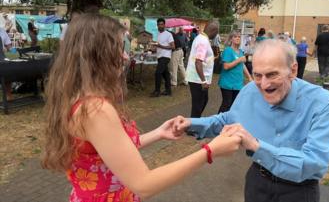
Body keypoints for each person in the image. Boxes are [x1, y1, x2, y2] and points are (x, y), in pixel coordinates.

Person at [41, 13, 242, 202]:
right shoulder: (96, 110)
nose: (126, 57)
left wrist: (158, 133)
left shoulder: (78, 99)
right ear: (96, 56)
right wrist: (210, 151)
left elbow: (112, 150)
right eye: (118, 49)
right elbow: (143, 184)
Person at [175, 39, 329, 202]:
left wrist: (255, 145)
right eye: (257, 75)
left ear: (293, 70)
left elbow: (314, 162)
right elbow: (227, 120)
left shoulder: (321, 102)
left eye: (272, 74)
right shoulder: (251, 90)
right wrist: (189, 124)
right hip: (258, 181)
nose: (264, 84)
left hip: (299, 190)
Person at [185, 21, 219, 118]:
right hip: (198, 79)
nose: (216, 35)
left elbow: (202, 59)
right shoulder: (203, 41)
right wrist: (203, 81)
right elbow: (198, 62)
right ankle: (192, 128)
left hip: (199, 78)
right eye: (216, 33)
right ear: (213, 31)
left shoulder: (201, 38)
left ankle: (195, 122)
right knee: (198, 105)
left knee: (203, 101)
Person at [218, 30, 252, 113]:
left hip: (238, 84)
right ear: (231, 39)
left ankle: (229, 123)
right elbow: (226, 66)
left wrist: (249, 77)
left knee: (234, 105)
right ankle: (218, 123)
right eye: (235, 36)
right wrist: (239, 60)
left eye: (239, 37)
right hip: (228, 84)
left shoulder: (240, 51)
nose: (237, 38)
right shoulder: (228, 50)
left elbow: (242, 65)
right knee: (226, 105)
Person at [150, 18, 174, 97]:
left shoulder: (168, 34)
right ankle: (168, 91)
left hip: (166, 56)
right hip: (160, 56)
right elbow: (158, 46)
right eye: (159, 24)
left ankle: (157, 91)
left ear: (164, 25)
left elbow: (173, 46)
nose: (160, 26)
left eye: (162, 24)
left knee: (158, 73)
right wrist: (152, 49)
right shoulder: (158, 35)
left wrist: (160, 46)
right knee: (165, 74)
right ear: (157, 25)